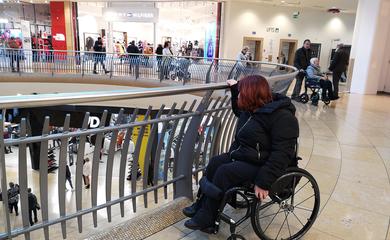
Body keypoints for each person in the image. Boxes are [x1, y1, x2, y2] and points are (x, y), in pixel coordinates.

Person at [183, 75, 299, 232]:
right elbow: (239, 110)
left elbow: (282, 154)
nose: (239, 96)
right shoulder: (252, 108)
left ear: (251, 95)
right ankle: (201, 205)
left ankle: (207, 217)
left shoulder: (283, 118)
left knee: (225, 172)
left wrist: (264, 182)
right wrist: (234, 88)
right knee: (215, 162)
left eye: (241, 93)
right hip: (247, 155)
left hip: (264, 165)